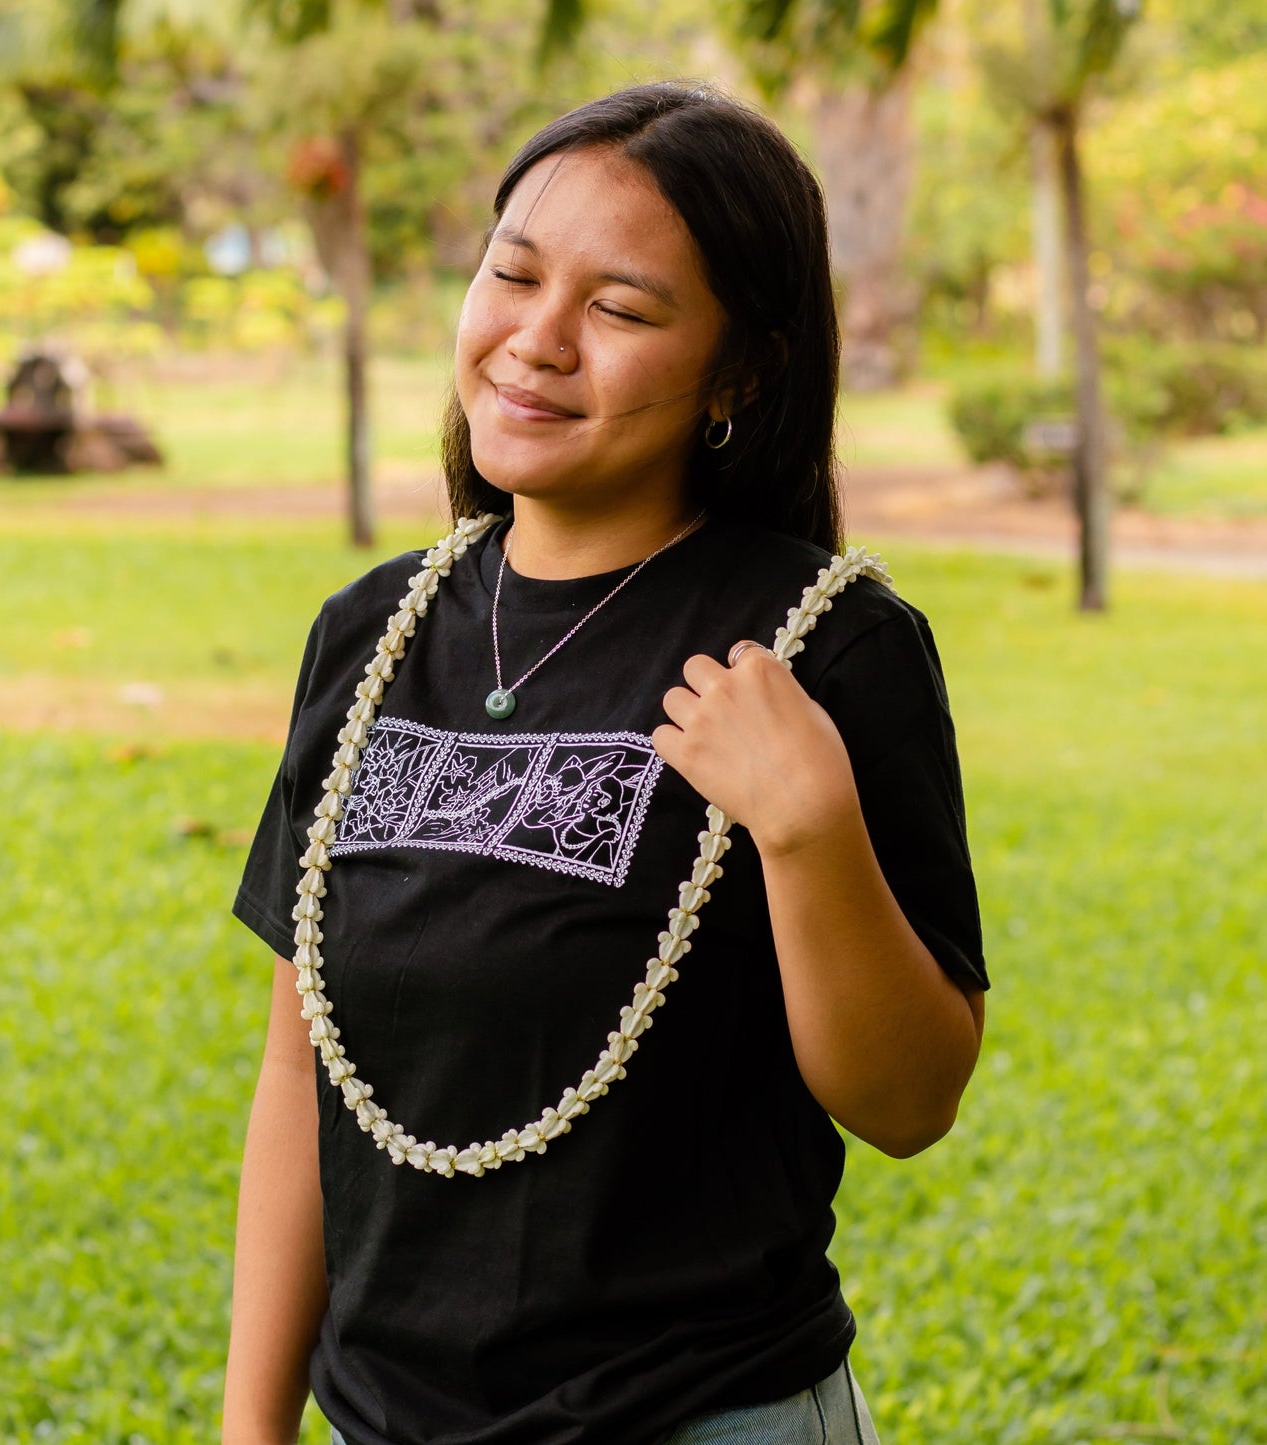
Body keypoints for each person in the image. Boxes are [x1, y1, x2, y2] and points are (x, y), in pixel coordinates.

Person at [222, 81, 989, 1445]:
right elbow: (300, 1073)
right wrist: (249, 1430)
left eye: (620, 310)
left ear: (740, 371)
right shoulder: (371, 634)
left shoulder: (823, 646)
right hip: (381, 1421)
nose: (534, 342)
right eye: (511, 274)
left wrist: (810, 828)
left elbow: (907, 1100)